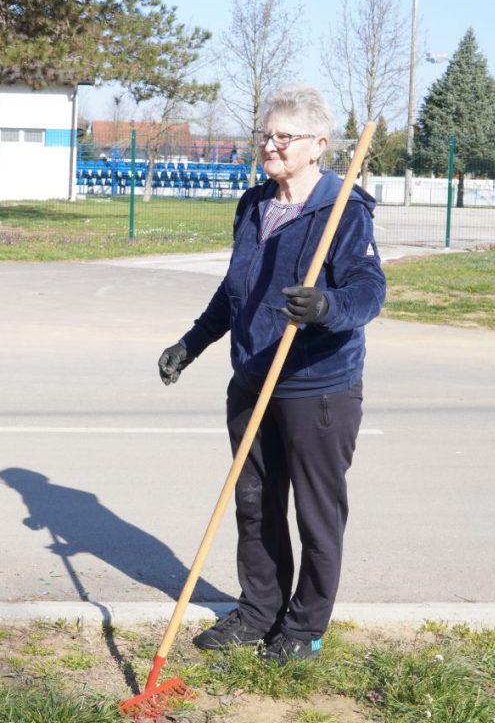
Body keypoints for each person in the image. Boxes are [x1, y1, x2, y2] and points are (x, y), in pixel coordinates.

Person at [157, 84, 385, 663]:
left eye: (285, 136)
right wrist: (192, 342)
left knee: (316, 512)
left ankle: (305, 626)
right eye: (266, 134)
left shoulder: (344, 209)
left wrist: (327, 306)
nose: (271, 144)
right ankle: (260, 610)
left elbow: (369, 291)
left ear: (319, 145)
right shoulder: (254, 203)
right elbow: (235, 289)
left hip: (318, 387)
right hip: (252, 379)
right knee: (255, 502)